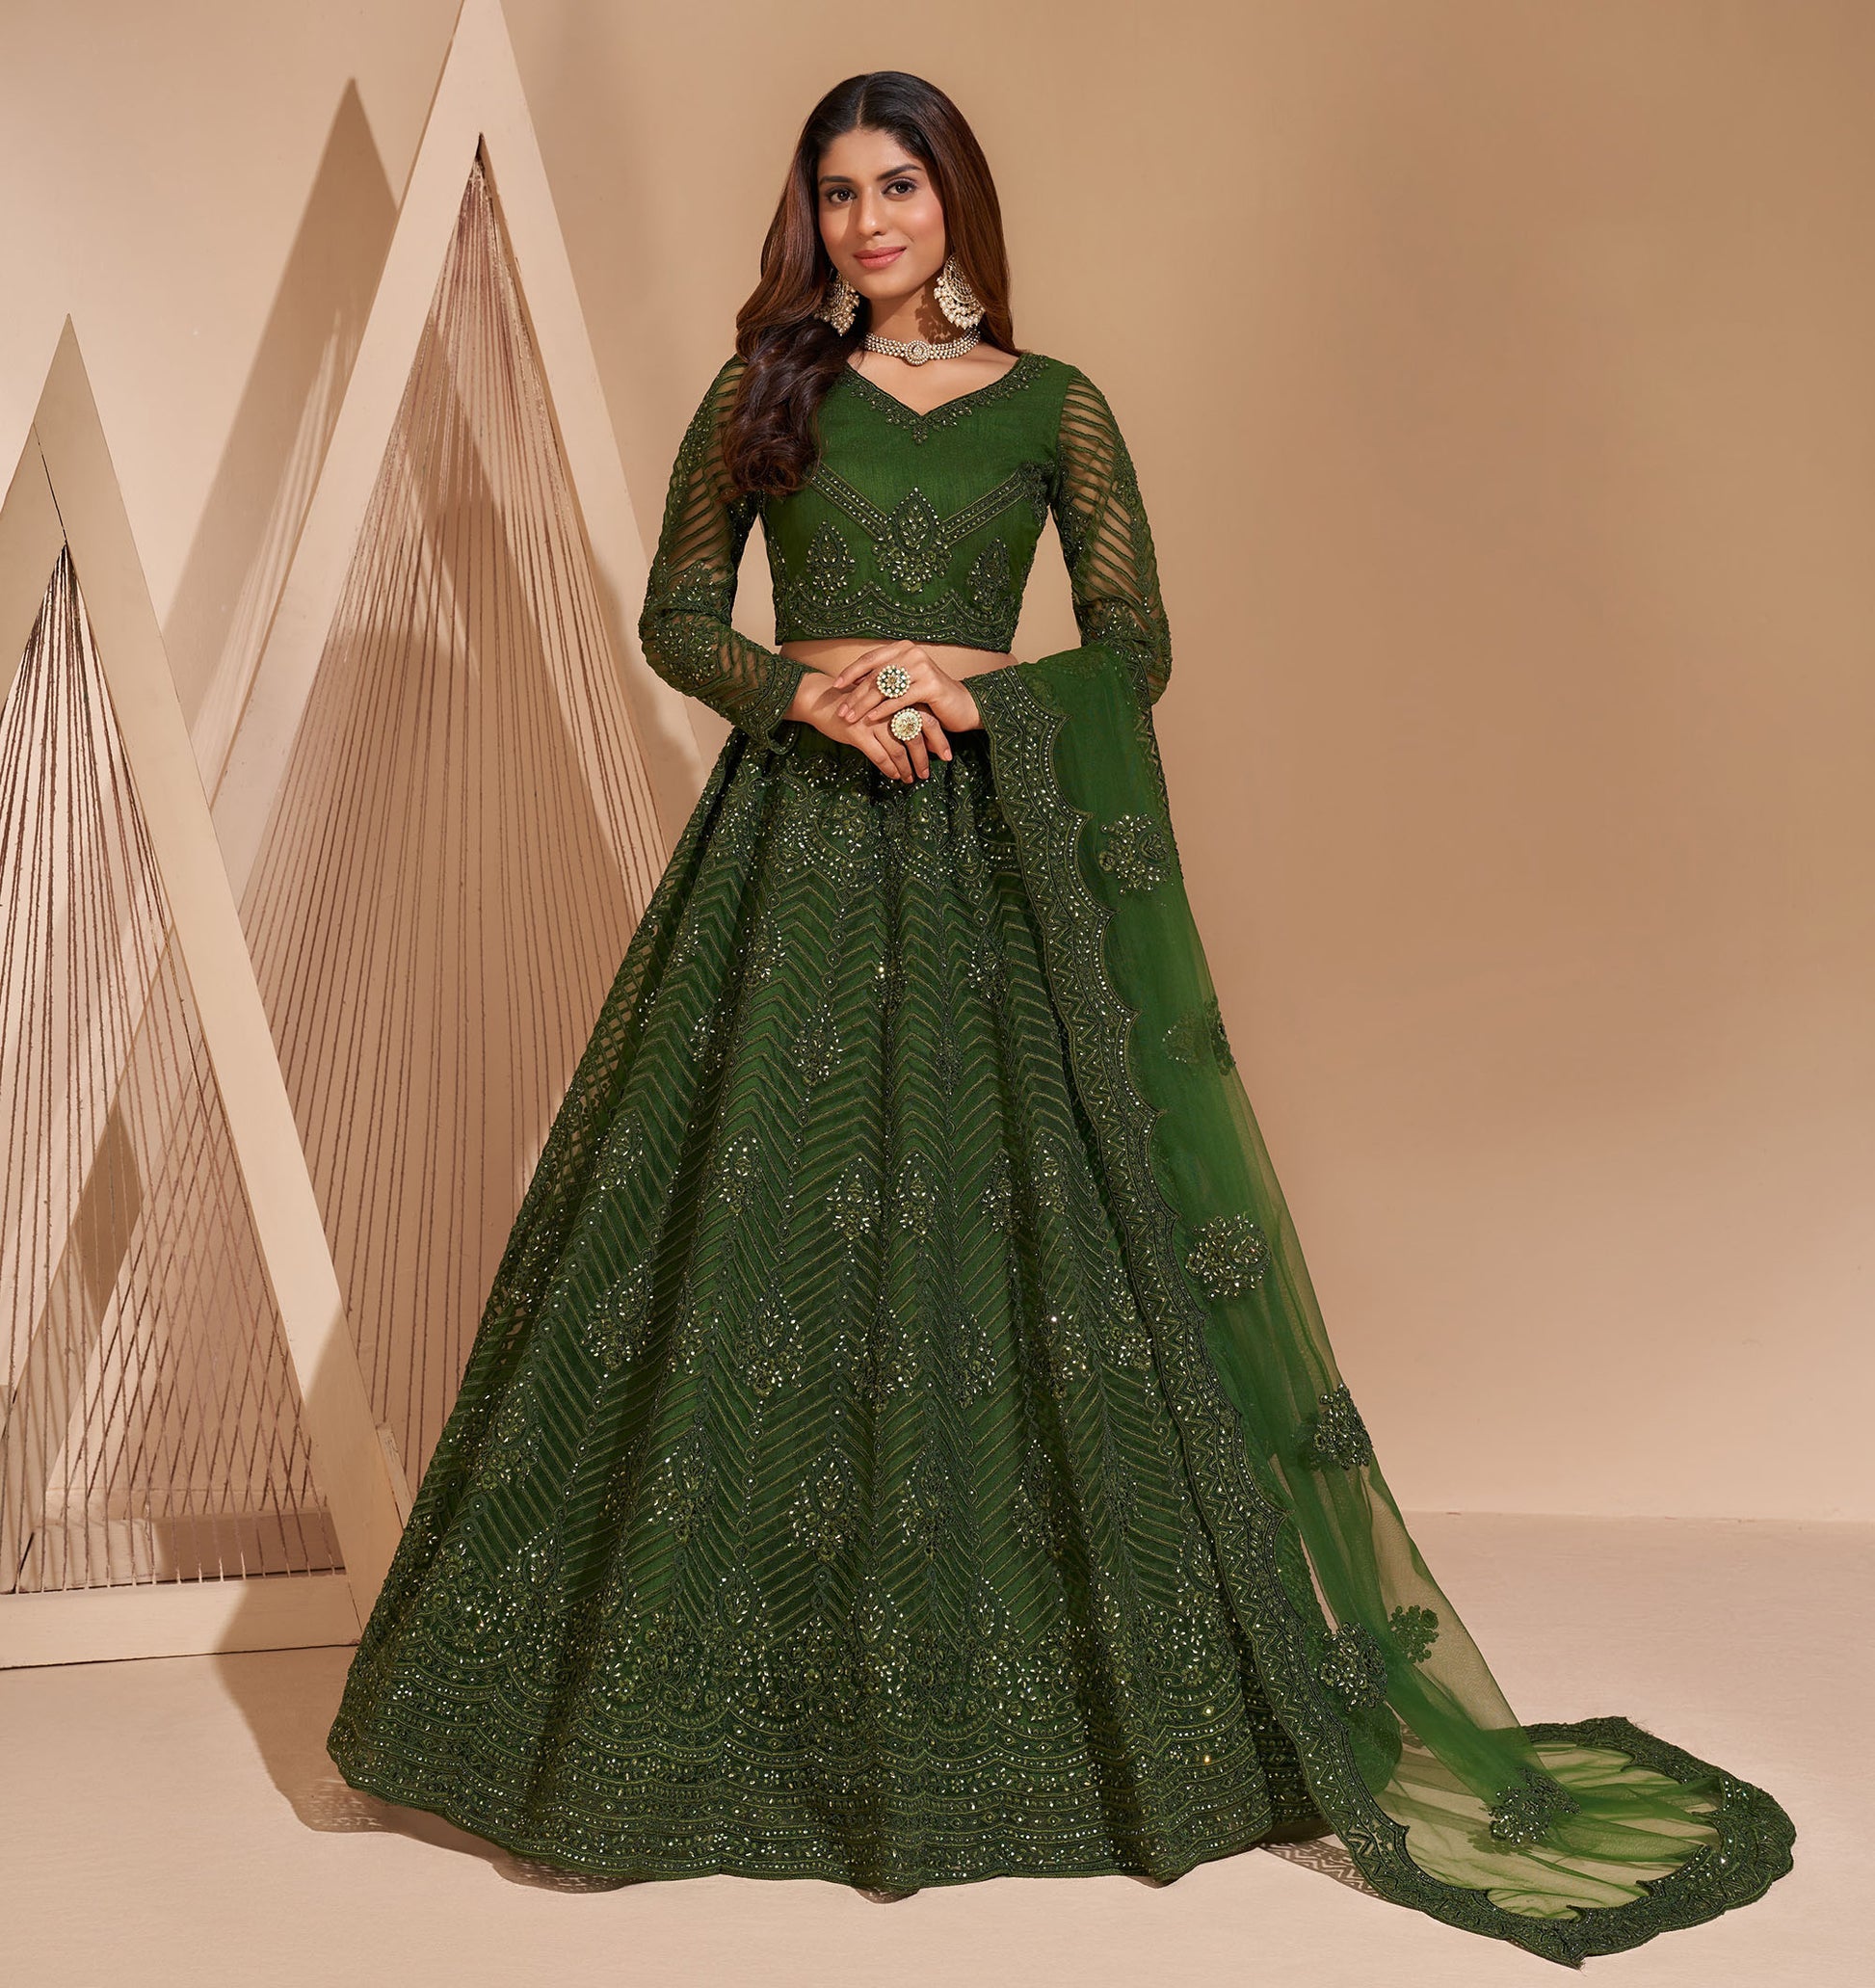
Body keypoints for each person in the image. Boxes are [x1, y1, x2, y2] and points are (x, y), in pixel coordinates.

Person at [326, 69, 1793, 1963]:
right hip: (794, 842)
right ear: (810, 218)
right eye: (837, 192)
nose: (868, 220)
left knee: (1027, 1243)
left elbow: (1135, 643)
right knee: (744, 1238)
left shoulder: (1053, 407)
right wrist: (806, 696)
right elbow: (677, 615)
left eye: (898, 184)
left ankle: (1085, 1710)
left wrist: (979, 697)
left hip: (988, 846)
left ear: (955, 201)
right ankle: (684, 1713)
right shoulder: (763, 391)